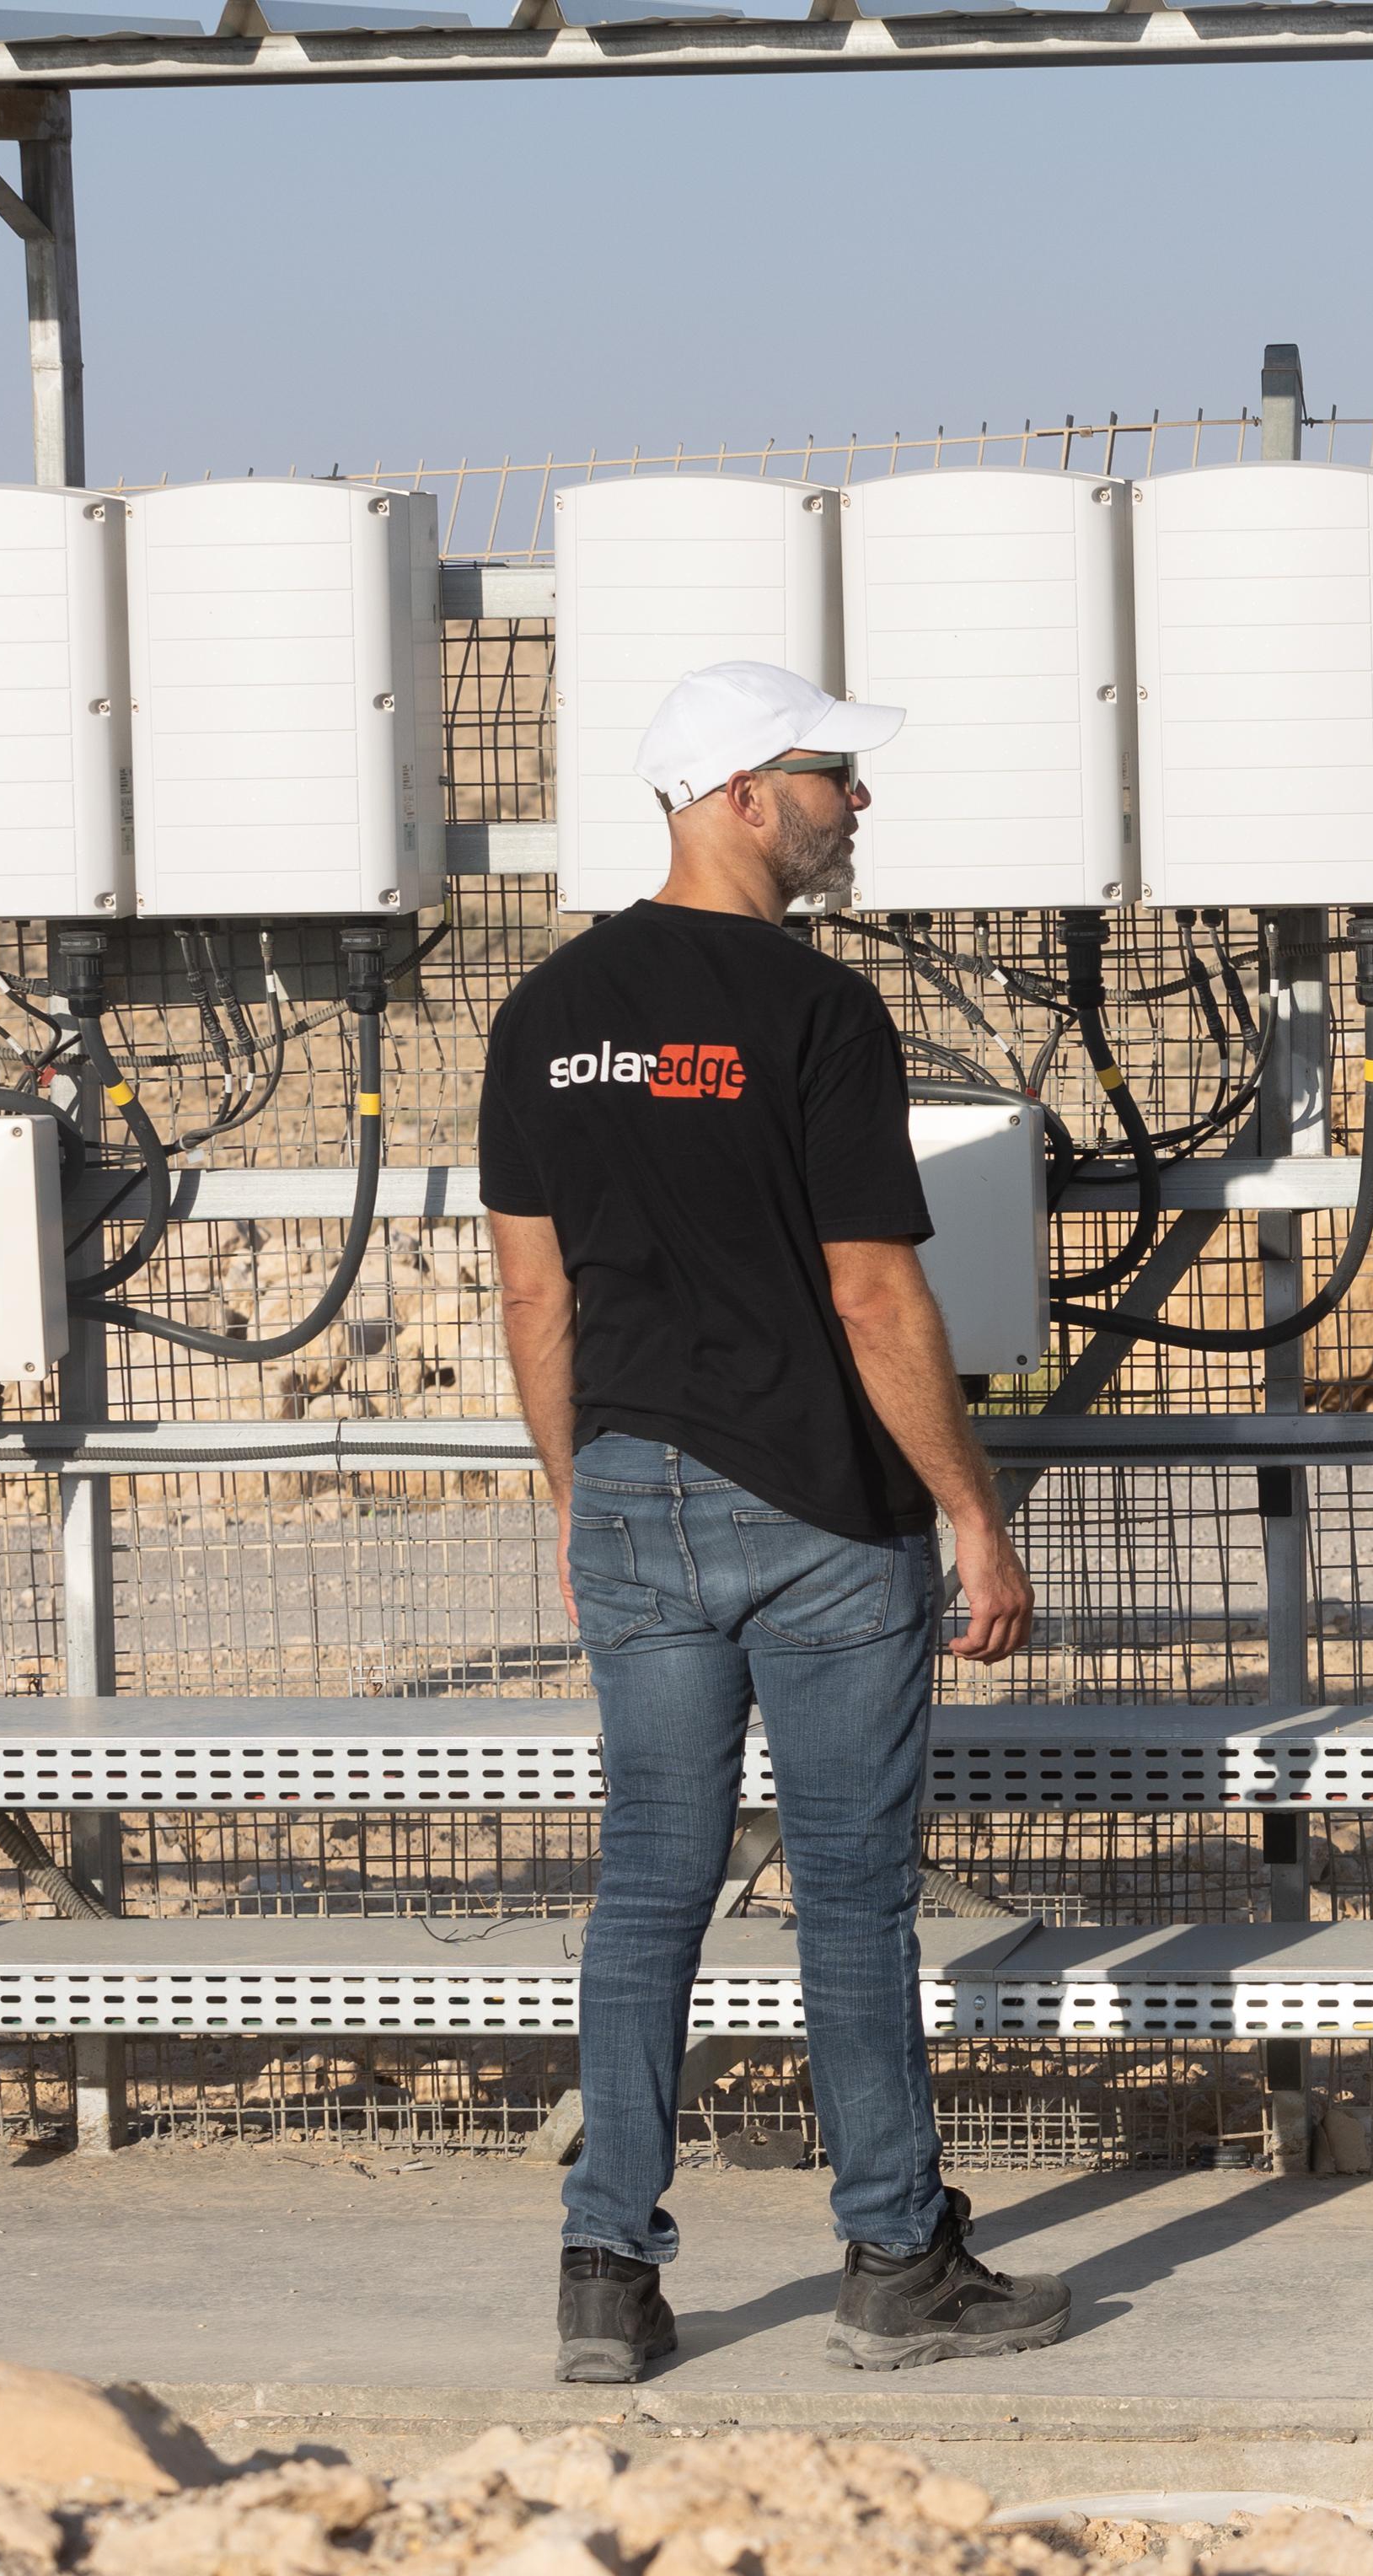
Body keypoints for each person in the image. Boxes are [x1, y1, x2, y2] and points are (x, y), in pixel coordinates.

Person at [483, 658, 1056, 2384]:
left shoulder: (544, 1012)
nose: (854, 803)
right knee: (850, 1903)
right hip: (816, 1507)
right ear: (741, 794)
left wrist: (586, 1502)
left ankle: (606, 2272)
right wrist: (975, 1513)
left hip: (636, 1492)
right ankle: (893, 2263)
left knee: (647, 1890)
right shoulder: (814, 1012)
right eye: (831, 776)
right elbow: (874, 1291)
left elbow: (530, 1296)